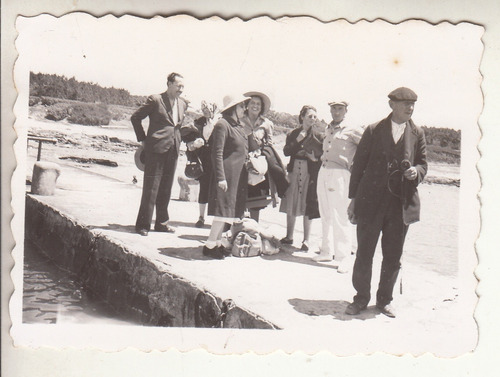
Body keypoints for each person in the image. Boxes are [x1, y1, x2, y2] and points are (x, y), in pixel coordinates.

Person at [345, 87, 427, 318]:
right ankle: (360, 298)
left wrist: (415, 172)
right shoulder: (373, 130)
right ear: (392, 105)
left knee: (392, 256)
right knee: (364, 253)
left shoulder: (417, 133)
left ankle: (385, 300)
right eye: (405, 103)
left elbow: (423, 164)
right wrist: (353, 201)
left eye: (413, 103)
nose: (410, 108)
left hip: (400, 205)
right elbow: (358, 167)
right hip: (370, 202)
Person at [132, 72, 189, 236]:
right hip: (155, 149)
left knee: (166, 188)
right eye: (178, 85)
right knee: (151, 188)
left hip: (173, 149)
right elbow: (135, 118)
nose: (181, 89)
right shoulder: (156, 100)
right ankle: (143, 225)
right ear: (169, 84)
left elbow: (176, 127)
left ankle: (162, 223)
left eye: (183, 86)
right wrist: (143, 139)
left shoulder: (183, 104)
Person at [313, 101, 364, 274]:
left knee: (340, 215)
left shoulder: (352, 129)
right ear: (330, 110)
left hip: (340, 174)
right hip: (324, 170)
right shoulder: (328, 128)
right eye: (334, 108)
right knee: (325, 211)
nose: (336, 111)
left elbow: (366, 147)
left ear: (346, 110)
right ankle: (326, 251)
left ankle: (343, 258)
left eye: (340, 108)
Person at [203, 94, 250, 259]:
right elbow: (217, 153)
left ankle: (216, 243)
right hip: (227, 175)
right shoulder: (223, 124)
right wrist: (220, 177)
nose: (245, 109)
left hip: (237, 176)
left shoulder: (238, 126)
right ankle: (209, 245)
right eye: (242, 106)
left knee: (228, 212)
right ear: (233, 108)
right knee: (222, 211)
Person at [279, 105, 323, 252]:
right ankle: (289, 236)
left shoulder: (318, 135)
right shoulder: (293, 133)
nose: (312, 119)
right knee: (291, 201)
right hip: (293, 169)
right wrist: (298, 140)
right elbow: (286, 151)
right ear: (302, 116)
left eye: (314, 117)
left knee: (307, 203)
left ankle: (306, 240)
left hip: (309, 171)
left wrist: (314, 158)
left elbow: (322, 156)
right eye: (310, 116)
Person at [180, 101, 218, 228]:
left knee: (218, 189)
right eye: (203, 109)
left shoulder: (220, 122)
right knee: (204, 188)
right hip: (204, 160)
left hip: (218, 160)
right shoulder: (199, 122)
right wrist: (194, 143)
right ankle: (201, 217)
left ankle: (219, 220)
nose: (206, 111)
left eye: (208, 108)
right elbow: (187, 138)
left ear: (214, 108)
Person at [240, 91, 275, 222]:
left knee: (255, 200)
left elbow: (270, 144)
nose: (255, 106)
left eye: (258, 104)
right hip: (240, 162)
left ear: (262, 107)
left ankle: (253, 229)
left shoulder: (266, 123)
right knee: (240, 197)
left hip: (257, 165)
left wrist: (259, 153)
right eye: (252, 103)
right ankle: (237, 230)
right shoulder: (240, 119)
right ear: (247, 105)